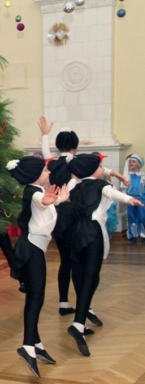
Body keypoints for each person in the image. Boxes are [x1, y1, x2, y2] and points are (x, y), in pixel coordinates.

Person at [38, 117, 128, 316]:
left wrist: (45, 134)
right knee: (79, 264)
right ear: (75, 147)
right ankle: (84, 306)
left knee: (65, 261)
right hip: (75, 217)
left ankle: (63, 303)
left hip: (57, 217)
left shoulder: (52, 164)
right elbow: (94, 167)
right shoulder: (77, 163)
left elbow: (45, 153)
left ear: (58, 146)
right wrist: (115, 173)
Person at [66, 154, 144, 356]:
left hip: (76, 233)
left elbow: (66, 194)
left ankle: (81, 321)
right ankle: (78, 323)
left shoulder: (74, 186)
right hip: (93, 233)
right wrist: (130, 200)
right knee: (91, 278)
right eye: (101, 167)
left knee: (81, 276)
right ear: (93, 170)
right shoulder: (101, 185)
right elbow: (113, 193)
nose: (103, 170)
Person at [8, 156, 69, 378]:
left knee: (36, 297)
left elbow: (45, 204)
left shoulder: (38, 191)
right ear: (34, 175)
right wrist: (50, 200)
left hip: (35, 249)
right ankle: (28, 345)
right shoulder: (33, 192)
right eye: (45, 170)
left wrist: (58, 200)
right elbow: (40, 201)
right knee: (36, 297)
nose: (49, 173)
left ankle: (36, 343)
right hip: (31, 250)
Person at [121, 154, 145, 244]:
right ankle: (132, 236)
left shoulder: (143, 176)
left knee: (142, 217)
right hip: (130, 200)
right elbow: (124, 188)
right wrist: (123, 199)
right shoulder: (127, 176)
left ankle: (143, 235)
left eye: (133, 162)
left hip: (142, 200)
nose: (131, 163)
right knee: (131, 217)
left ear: (139, 164)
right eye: (130, 162)